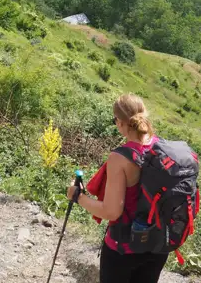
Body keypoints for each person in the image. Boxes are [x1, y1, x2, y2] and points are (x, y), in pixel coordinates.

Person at [67, 94, 166, 283]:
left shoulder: (120, 157)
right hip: (157, 244)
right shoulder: (160, 146)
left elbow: (111, 212)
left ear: (120, 123)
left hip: (124, 248)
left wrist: (77, 197)